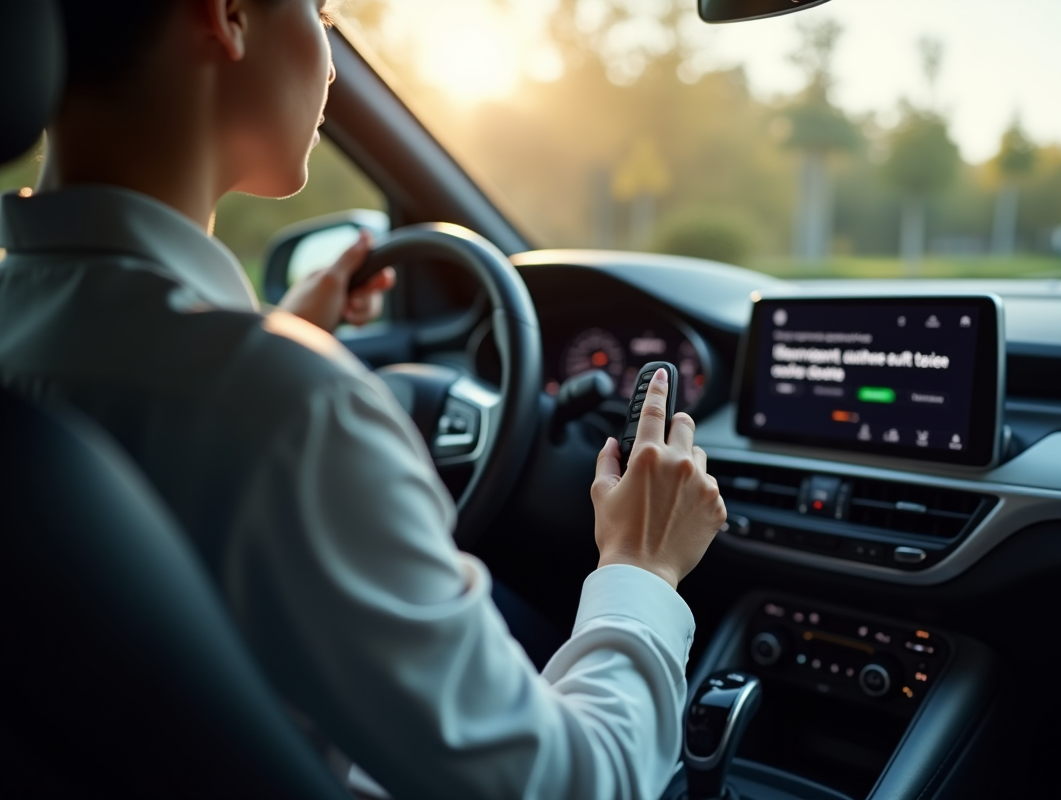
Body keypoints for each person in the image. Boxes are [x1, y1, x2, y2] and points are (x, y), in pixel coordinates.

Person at [0, 1, 726, 799]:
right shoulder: (293, 414)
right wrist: (642, 567)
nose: (333, 55)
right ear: (229, 15)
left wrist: (273, 339)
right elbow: (576, 786)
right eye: (321, 8)